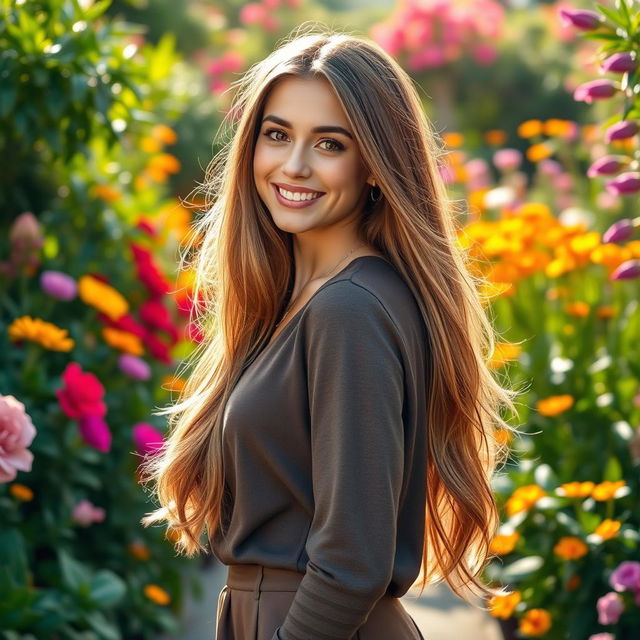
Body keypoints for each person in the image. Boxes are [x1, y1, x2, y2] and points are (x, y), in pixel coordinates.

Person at [140, 25, 520, 640]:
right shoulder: (303, 299)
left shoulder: (350, 311)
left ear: (375, 165)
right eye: (277, 134)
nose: (294, 165)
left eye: (330, 144)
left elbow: (351, 563)